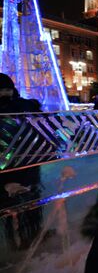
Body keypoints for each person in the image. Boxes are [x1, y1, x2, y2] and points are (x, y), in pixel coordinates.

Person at [0, 73, 44, 250]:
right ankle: (14, 240)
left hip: (26, 162)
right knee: (10, 205)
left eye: (8, 89)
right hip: (7, 167)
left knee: (30, 199)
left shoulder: (21, 106)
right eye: (2, 90)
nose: (5, 93)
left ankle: (33, 234)